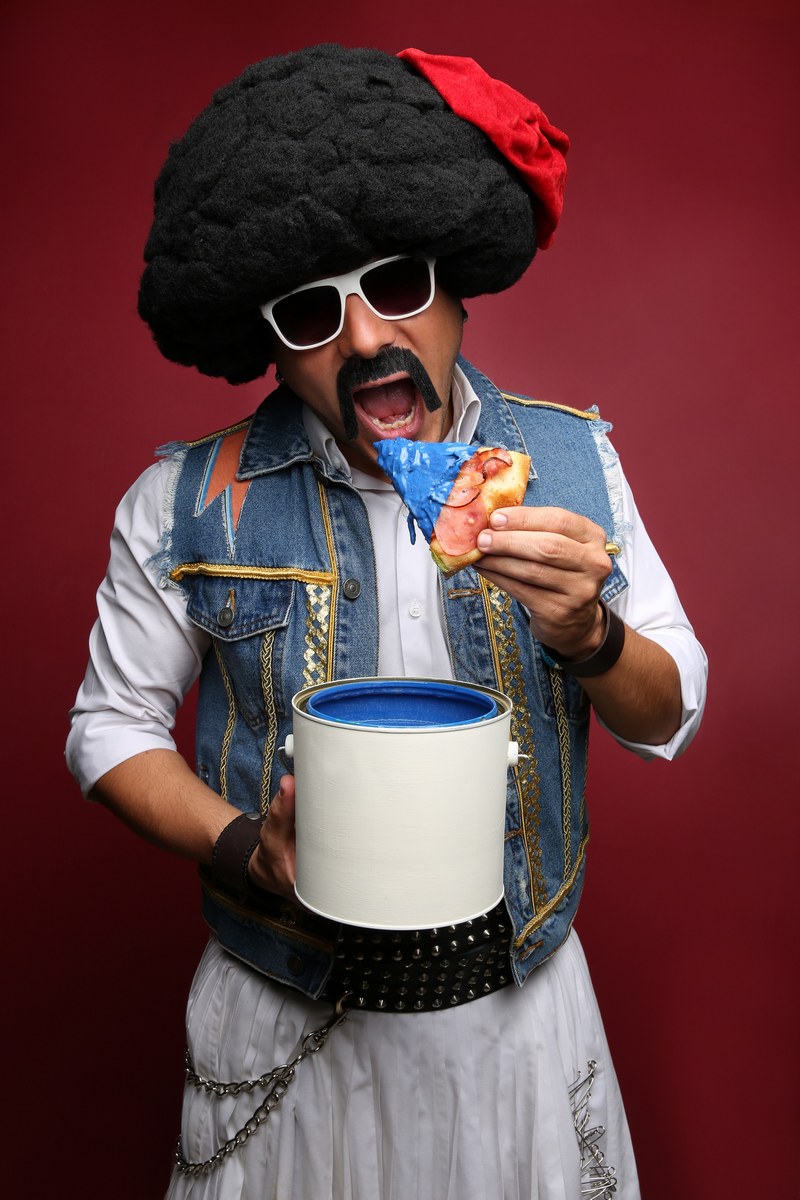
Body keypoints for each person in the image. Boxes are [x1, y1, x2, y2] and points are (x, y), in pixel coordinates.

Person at [67, 44, 707, 1200]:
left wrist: (590, 637)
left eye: (396, 286)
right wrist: (244, 850)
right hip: (283, 1017)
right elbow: (106, 731)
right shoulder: (183, 500)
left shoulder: (572, 460)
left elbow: (669, 715)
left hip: (513, 1023)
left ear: (453, 290)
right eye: (312, 311)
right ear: (272, 347)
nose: (364, 340)